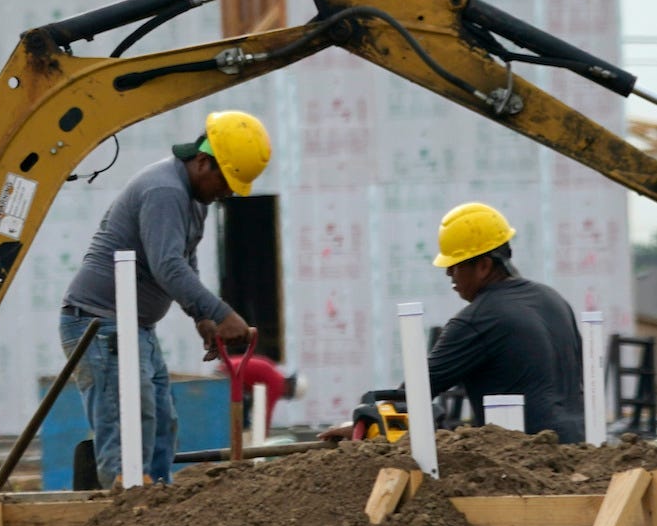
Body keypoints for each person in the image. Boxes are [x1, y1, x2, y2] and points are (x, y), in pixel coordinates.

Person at [58, 110, 272, 489]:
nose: (226, 192)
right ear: (203, 162)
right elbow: (167, 265)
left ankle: (155, 505)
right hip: (99, 323)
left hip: (133, 325)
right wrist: (221, 313)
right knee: (127, 427)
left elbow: (185, 257)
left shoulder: (194, 198)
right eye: (225, 180)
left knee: (160, 420)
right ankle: (127, 507)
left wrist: (200, 318)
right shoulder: (165, 191)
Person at [326, 203, 584, 444]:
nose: (448, 273)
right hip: (580, 449)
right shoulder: (554, 301)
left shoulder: (478, 318)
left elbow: (416, 392)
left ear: (483, 266)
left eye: (455, 265)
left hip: (525, 462)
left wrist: (365, 423)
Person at [219, 351, 301, 433]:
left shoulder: (275, 374)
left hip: (226, 368)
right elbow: (265, 414)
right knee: (242, 409)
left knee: (244, 406)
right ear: (290, 391)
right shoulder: (277, 386)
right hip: (227, 375)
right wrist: (265, 436)